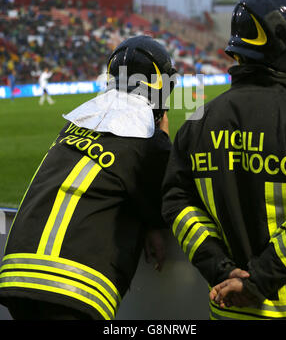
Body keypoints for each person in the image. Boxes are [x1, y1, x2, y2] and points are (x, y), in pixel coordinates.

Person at [0, 35, 176, 320]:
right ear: (160, 87)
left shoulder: (73, 125)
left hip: (16, 274)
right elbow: (166, 199)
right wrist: (163, 138)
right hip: (77, 285)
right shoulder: (148, 140)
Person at [162, 0, 286, 320]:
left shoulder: (196, 122)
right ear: (281, 47)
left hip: (225, 309)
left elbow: (177, 205)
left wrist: (221, 270)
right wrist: (258, 281)